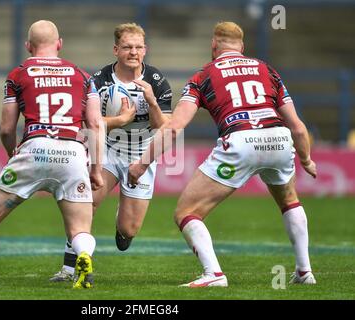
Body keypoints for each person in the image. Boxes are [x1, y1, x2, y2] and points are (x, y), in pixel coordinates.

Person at [128, 21, 317, 287]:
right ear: (242, 47)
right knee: (289, 200)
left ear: (214, 45)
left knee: (186, 212)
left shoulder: (203, 76)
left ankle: (214, 274)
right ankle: (304, 271)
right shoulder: (267, 70)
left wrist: (141, 164)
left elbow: (174, 129)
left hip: (239, 140)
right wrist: (306, 159)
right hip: (278, 138)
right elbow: (297, 127)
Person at [0, 20, 104, 289]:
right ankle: (83, 255)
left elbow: (5, 127)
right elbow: (95, 124)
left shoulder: (18, 74)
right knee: (79, 229)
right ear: (59, 44)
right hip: (72, 152)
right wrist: (95, 168)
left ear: (28, 46)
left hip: (34, 148)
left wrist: (10, 152)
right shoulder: (84, 76)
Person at [50, 22, 172, 282]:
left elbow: (165, 128)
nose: (133, 52)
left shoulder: (157, 81)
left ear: (145, 50)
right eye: (127, 47)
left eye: (139, 47)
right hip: (106, 149)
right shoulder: (98, 80)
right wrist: (120, 119)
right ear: (116, 49)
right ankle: (70, 268)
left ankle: (123, 219)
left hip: (141, 152)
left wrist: (151, 101)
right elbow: (86, 124)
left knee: (129, 229)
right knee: (86, 205)